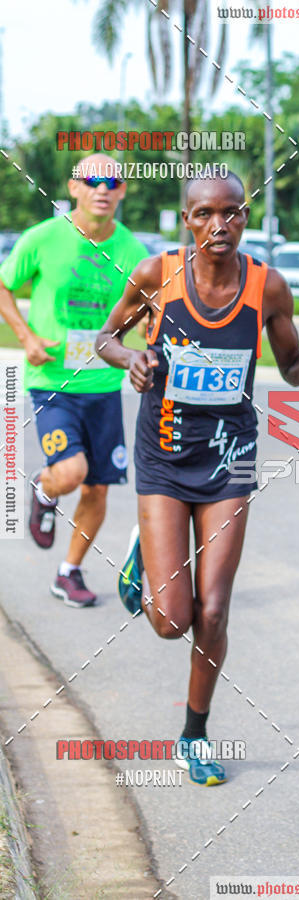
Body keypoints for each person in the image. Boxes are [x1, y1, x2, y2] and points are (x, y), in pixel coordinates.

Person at [95, 171, 299, 786]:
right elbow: (103, 338)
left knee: (213, 609)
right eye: (205, 213)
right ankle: (143, 556)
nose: (219, 225)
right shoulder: (158, 276)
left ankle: (194, 733)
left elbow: (294, 370)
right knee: (169, 619)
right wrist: (132, 358)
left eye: (232, 213)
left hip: (230, 459)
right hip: (164, 454)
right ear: (188, 219)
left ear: (246, 217)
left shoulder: (268, 286)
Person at [0, 154, 147, 607]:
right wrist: (25, 336)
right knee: (72, 470)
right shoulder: (43, 239)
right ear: (74, 188)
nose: (103, 188)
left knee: (98, 486)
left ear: (122, 191)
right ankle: (44, 489)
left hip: (103, 385)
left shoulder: (132, 251)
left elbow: (146, 309)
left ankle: (69, 571)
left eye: (113, 181)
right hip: (53, 381)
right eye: (92, 181)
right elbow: (4, 285)